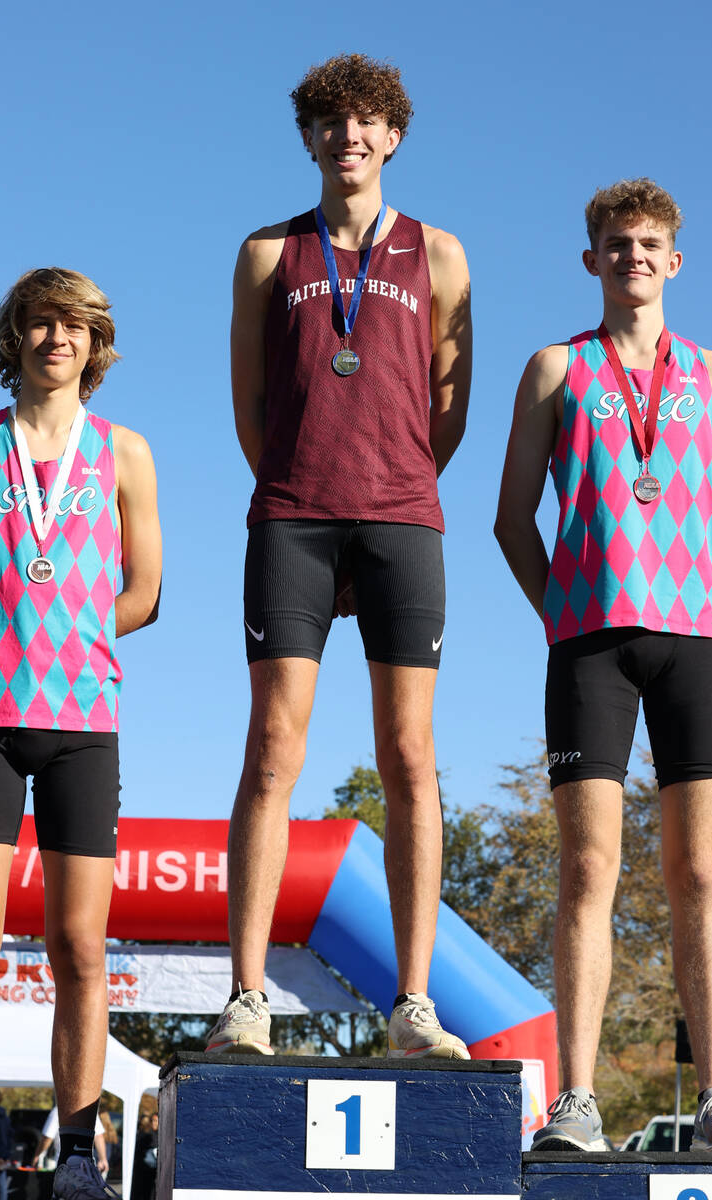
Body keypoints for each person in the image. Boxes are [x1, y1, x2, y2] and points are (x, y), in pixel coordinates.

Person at [208, 53, 472, 1059]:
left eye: (364, 124)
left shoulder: (440, 254)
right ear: (309, 139)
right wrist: (302, 481)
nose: (347, 138)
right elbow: (249, 403)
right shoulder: (266, 253)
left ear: (392, 136)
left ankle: (411, 1006)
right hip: (292, 517)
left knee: (409, 756)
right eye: (328, 123)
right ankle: (244, 999)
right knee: (273, 751)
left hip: (404, 519)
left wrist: (393, 482)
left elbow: (447, 405)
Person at [495, 178, 712, 1152]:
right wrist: (564, 610)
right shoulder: (552, 370)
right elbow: (509, 516)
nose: (632, 256)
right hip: (589, 648)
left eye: (648, 243)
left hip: (694, 641)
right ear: (589, 259)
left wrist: (689, 592)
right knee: (585, 870)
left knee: (696, 870)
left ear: (673, 261)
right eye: (614, 243)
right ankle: (574, 1101)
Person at [0, 267, 162, 1200]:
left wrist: (74, 642)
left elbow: (143, 590)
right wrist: (2, 647)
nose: (55, 338)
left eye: (73, 324)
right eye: (38, 322)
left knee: (80, 949)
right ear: (13, 337)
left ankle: (75, 1156)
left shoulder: (127, 452)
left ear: (94, 343)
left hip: (83, 722)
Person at [32, 1107, 107, 1176]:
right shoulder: (88, 1109)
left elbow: (47, 1138)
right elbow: (98, 1136)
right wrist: (103, 1159)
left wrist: (37, 1156)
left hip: (65, 1167)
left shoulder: (58, 1110)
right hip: (86, 1167)